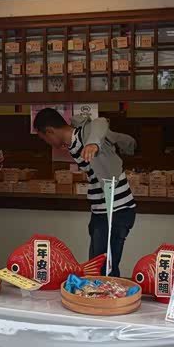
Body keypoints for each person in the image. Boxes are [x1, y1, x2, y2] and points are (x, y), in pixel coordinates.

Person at [33, 108, 137, 277]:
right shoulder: (73, 144)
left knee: (104, 270)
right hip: (101, 211)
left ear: (50, 131)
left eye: (44, 138)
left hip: (117, 210)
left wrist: (93, 143)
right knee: (96, 267)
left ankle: (109, 293)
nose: (47, 142)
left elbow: (100, 122)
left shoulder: (85, 135)